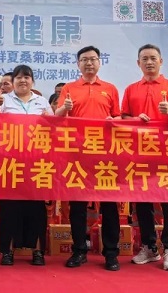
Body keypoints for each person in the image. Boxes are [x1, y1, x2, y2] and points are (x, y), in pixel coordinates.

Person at [55, 45, 122, 272]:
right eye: (84, 59)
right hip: (78, 154)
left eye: (93, 59)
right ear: (78, 64)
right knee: (78, 205)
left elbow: (118, 117)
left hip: (105, 154)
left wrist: (114, 120)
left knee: (109, 205)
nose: (89, 63)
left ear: (99, 62)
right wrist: (64, 108)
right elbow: (57, 118)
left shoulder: (110, 89)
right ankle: (79, 250)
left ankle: (111, 253)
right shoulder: (69, 88)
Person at [122, 44, 168, 272]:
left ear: (161, 61)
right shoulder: (131, 89)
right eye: (145, 59)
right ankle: (149, 247)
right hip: (140, 153)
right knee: (142, 201)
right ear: (138, 63)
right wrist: (135, 119)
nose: (149, 62)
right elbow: (123, 117)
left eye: (153, 58)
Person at [0, 64, 53, 267]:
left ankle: (37, 251)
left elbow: (54, 126)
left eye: (27, 77)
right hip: (10, 161)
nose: (23, 80)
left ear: (32, 81)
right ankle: (7, 251)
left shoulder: (41, 101)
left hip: (36, 162)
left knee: (36, 209)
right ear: (13, 81)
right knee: (9, 208)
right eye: (19, 77)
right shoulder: (4, 100)